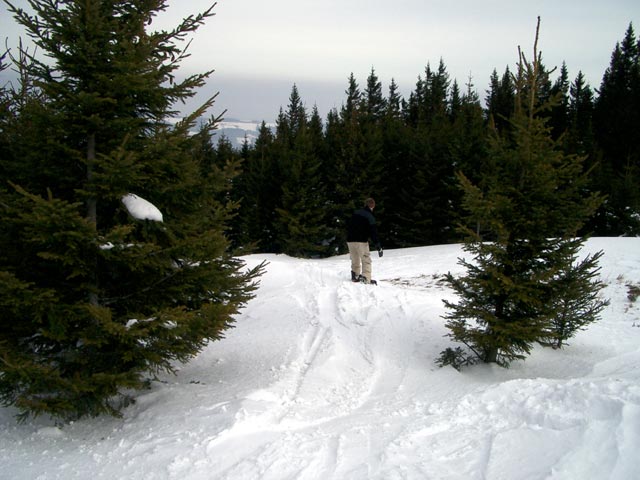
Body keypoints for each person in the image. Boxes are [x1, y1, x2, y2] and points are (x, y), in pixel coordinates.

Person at [346, 198, 383, 285]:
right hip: (361, 241)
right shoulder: (370, 216)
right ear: (373, 206)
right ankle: (366, 278)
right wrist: (378, 245)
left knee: (355, 258)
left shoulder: (355, 213)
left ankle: (355, 275)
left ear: (365, 204)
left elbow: (348, 224)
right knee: (366, 259)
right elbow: (373, 232)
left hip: (350, 240)